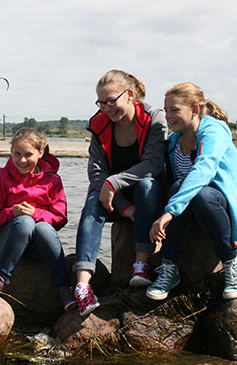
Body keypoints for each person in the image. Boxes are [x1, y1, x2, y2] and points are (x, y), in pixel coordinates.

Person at [147, 82, 237, 301]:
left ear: (195, 110)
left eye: (175, 110)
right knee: (177, 187)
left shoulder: (214, 132)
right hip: (189, 212)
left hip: (218, 207)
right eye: (166, 110)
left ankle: (231, 261)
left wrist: (168, 213)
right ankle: (170, 268)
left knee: (197, 191)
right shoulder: (174, 141)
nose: (168, 116)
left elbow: (204, 170)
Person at [74, 70, 167, 316]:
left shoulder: (154, 119)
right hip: (113, 198)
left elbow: (154, 164)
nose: (106, 108)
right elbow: (96, 172)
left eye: (111, 101)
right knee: (93, 202)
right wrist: (125, 207)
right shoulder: (99, 125)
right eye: (101, 103)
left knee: (147, 184)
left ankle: (141, 265)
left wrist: (114, 182)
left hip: (147, 194)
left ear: (130, 95)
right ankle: (83, 286)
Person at [0, 128, 76, 310]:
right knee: (25, 222)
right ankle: (0, 278)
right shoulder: (2, 177)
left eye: (28, 155)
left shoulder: (52, 180)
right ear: (11, 152)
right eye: (17, 154)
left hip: (37, 247)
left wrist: (36, 213)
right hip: (8, 238)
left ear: (41, 152)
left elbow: (60, 218)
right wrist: (12, 213)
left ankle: (65, 288)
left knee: (43, 227)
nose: (22, 160)